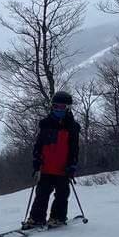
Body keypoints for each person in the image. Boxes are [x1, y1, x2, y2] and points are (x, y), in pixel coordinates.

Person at [26, 91, 81, 227]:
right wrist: (36, 160)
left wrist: (72, 165)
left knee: (62, 194)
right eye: (56, 106)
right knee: (42, 193)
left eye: (62, 107)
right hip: (46, 167)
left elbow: (74, 149)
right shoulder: (45, 124)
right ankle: (36, 218)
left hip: (63, 168)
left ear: (68, 108)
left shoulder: (72, 127)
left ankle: (58, 217)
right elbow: (39, 145)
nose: (58, 110)